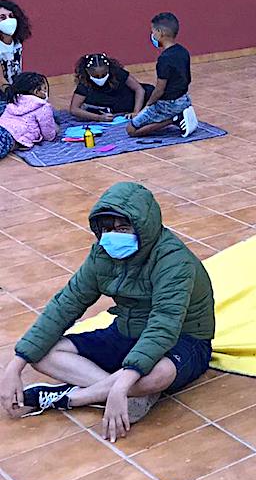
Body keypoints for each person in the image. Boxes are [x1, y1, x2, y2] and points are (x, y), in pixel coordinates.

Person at [1, 183, 215, 442]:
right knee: (43, 353)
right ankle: (129, 397)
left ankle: (74, 398)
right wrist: (15, 366)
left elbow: (164, 325)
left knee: (160, 373)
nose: (113, 236)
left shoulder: (173, 261)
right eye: (107, 229)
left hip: (185, 338)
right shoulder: (102, 254)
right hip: (126, 330)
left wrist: (123, 383)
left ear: (144, 228)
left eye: (123, 228)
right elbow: (66, 303)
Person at [127, 12, 199, 138]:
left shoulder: (164, 59)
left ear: (160, 33)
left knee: (131, 129)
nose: (152, 35)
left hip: (168, 104)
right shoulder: (183, 51)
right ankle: (179, 113)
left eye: (153, 31)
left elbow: (160, 89)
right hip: (184, 99)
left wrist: (148, 105)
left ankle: (174, 119)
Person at [68, 53, 153, 121]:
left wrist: (136, 112)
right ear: (87, 72)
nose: (100, 78)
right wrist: (99, 118)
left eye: (103, 75)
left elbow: (139, 89)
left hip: (132, 103)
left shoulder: (118, 73)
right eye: (96, 76)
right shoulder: (84, 83)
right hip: (109, 108)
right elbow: (74, 109)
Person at [0, 72, 57, 159]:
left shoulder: (14, 99)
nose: (46, 92)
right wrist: (56, 129)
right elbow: (49, 135)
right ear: (37, 92)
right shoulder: (43, 107)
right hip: (8, 137)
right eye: (44, 89)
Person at [0, 0, 31, 91]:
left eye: (11, 16)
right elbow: (1, 80)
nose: (9, 20)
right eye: (2, 17)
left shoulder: (17, 43)